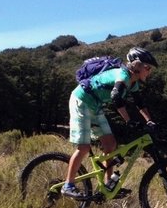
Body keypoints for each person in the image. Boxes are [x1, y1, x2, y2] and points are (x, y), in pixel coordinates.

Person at [61, 47, 159, 199]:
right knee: (84, 147)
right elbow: (116, 97)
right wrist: (129, 121)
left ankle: (108, 184)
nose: (149, 71)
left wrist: (150, 120)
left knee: (110, 144)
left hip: (95, 105)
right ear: (138, 66)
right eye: (148, 67)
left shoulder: (134, 83)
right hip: (81, 101)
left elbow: (140, 103)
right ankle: (68, 185)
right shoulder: (123, 75)